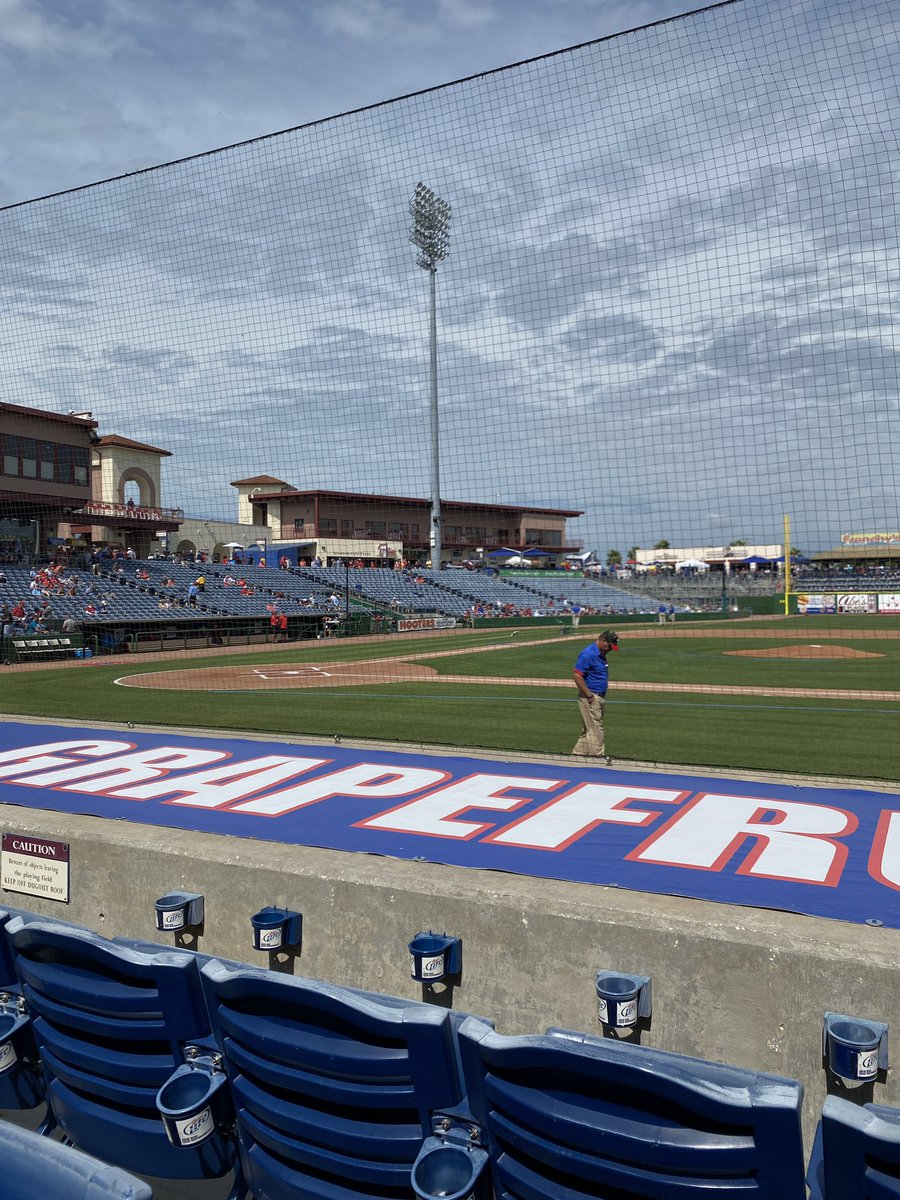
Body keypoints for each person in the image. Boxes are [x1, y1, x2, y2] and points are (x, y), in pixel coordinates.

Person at [571, 630, 619, 761]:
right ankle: (597, 758)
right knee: (596, 729)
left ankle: (576, 757)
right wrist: (589, 695)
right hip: (591, 697)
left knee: (589, 729)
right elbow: (576, 674)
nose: (610, 650)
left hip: (597, 697)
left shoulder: (600, 653)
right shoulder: (588, 654)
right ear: (603, 641)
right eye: (610, 646)